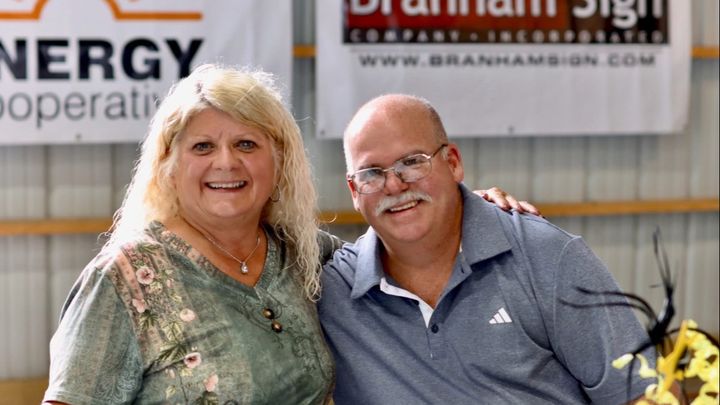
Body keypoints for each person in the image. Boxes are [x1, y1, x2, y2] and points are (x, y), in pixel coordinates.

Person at [43, 65, 532, 404]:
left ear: (278, 161)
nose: (226, 162)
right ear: (169, 166)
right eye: (202, 147)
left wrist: (463, 209)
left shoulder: (304, 253)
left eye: (246, 144)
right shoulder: (124, 280)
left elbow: (403, 256)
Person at [317, 94, 657, 404]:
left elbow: (644, 396)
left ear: (453, 163)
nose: (394, 184)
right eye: (372, 173)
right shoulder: (331, 289)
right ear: (354, 191)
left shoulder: (546, 257)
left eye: (412, 162)